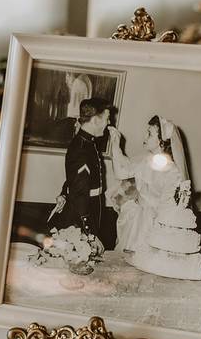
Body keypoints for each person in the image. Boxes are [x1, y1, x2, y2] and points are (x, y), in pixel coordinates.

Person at [108, 115, 189, 252]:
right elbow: (121, 172)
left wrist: (147, 206)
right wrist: (116, 143)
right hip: (136, 220)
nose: (145, 137)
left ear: (161, 142)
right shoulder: (145, 161)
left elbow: (169, 206)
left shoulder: (172, 172)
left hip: (154, 225)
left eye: (150, 134)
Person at [51, 99, 112, 250]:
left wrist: (64, 193)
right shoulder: (82, 149)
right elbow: (80, 194)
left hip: (90, 208)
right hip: (80, 218)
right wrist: (90, 233)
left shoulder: (87, 143)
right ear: (96, 120)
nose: (109, 123)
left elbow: (74, 179)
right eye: (106, 118)